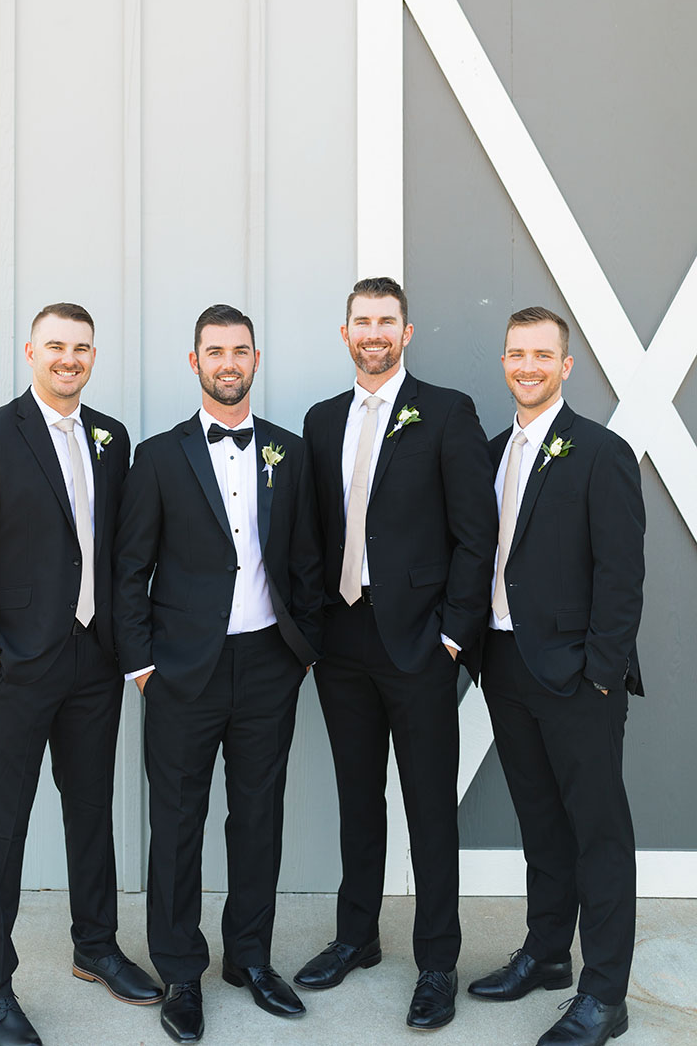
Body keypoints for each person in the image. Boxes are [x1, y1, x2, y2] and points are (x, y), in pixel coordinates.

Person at [0, 303, 161, 1046]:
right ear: (31, 350)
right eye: (56, 345)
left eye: (82, 347)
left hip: (94, 661)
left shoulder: (111, 436)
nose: (69, 358)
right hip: (17, 667)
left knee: (91, 810)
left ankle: (95, 945)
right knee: (0, 827)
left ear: (94, 355)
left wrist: (127, 647)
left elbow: (120, 552)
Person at [112, 303, 322, 1044]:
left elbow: (306, 562)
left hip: (269, 663)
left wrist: (303, 652)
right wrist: (142, 666)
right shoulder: (159, 456)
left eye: (239, 349)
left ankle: (252, 958)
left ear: (255, 360)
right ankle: (179, 970)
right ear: (194, 361)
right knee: (175, 822)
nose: (228, 361)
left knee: (259, 817)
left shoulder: (290, 454)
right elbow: (130, 567)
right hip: (180, 670)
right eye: (214, 350)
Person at [296, 276, 498, 1030]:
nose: (373, 332)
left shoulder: (447, 412)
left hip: (420, 641)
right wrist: (311, 635)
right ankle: (357, 936)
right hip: (341, 640)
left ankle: (437, 959)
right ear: (345, 333)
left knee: (427, 805)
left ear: (406, 333)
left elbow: (478, 534)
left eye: (386, 321)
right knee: (357, 797)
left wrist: (452, 635)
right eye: (362, 321)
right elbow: (310, 534)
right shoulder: (321, 420)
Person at [468, 306, 644, 1046]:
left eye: (543, 354)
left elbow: (623, 574)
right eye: (517, 353)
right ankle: (546, 954)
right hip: (506, 664)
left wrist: (600, 674)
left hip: (578, 677)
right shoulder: (490, 450)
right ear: (505, 361)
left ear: (565, 365)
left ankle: (605, 992)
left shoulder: (602, 453)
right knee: (541, 823)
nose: (528, 365)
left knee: (598, 832)